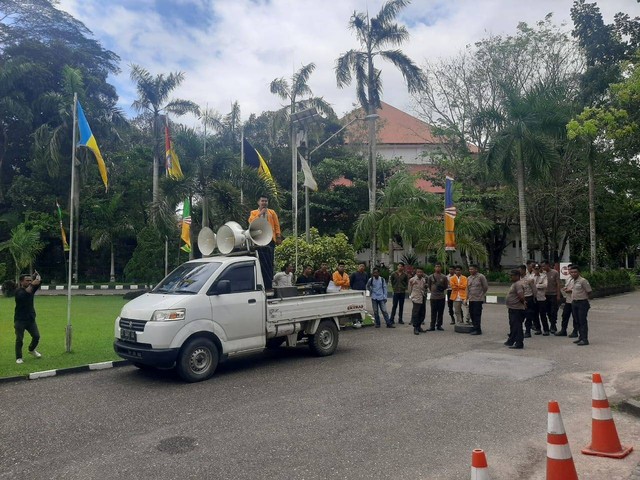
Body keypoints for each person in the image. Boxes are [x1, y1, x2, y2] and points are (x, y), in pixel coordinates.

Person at [248, 195, 282, 291]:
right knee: (262, 262)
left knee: (269, 262)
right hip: (259, 240)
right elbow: (251, 222)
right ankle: (262, 283)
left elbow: (276, 225)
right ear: (258, 202)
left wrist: (278, 236)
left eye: (266, 201)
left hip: (270, 239)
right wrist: (260, 214)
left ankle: (269, 282)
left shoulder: (272, 212)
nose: (264, 203)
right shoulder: (253, 212)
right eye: (262, 201)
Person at [14, 271, 43, 364]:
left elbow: (37, 284)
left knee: (36, 336)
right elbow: (26, 293)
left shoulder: (31, 289)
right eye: (27, 280)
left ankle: (31, 350)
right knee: (19, 339)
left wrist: (37, 277)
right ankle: (19, 357)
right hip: (20, 320)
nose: (29, 282)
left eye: (30, 280)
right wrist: (32, 284)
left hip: (30, 319)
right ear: (21, 282)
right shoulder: (18, 291)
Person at [566, 265, 592, 346]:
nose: (573, 273)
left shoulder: (583, 281)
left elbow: (589, 291)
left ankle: (585, 339)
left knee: (582, 321)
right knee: (577, 321)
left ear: (579, 272)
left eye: (575, 272)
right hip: (574, 302)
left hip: (582, 303)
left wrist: (585, 299)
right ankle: (580, 337)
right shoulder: (573, 281)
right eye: (572, 272)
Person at [504, 269, 526, 349]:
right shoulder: (515, 283)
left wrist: (523, 302)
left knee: (517, 326)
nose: (510, 277)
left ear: (517, 276)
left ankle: (519, 343)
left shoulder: (518, 284)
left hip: (517, 308)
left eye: (512, 275)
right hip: (512, 307)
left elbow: (521, 296)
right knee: (513, 325)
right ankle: (511, 340)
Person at [466, 264, 489, 335]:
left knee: (477, 314)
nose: (470, 270)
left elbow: (485, 287)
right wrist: (466, 298)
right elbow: (467, 288)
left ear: (476, 269)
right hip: (471, 299)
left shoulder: (481, 276)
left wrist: (481, 294)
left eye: (472, 269)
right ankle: (474, 327)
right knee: (472, 314)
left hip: (478, 299)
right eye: (470, 269)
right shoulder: (469, 278)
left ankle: (478, 329)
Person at [556, 264, 576, 337]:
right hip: (568, 300)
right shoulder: (568, 278)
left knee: (575, 317)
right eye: (569, 270)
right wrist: (565, 288)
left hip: (574, 300)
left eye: (571, 270)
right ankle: (563, 330)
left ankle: (575, 331)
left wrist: (570, 290)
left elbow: (579, 289)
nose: (570, 271)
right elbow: (566, 286)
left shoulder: (579, 279)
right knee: (565, 315)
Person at [426, 262, 448, 331]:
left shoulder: (444, 277)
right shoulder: (430, 277)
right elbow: (429, 286)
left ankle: (439, 325)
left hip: (441, 297)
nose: (437, 268)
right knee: (433, 312)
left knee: (440, 312)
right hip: (433, 297)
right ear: (434, 268)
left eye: (439, 266)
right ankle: (432, 326)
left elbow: (445, 286)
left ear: (441, 267)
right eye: (436, 266)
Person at [542, 260, 560, 333]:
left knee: (553, 311)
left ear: (548, 265)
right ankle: (552, 324)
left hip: (553, 294)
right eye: (542, 266)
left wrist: (558, 295)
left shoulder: (555, 272)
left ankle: (553, 325)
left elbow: (558, 284)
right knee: (548, 311)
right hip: (545, 295)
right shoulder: (542, 273)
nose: (543, 267)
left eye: (544, 266)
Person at [518, 264, 536, 337]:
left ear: (523, 270)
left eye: (520, 270)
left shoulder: (529, 279)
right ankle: (517, 331)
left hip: (528, 298)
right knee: (519, 316)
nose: (519, 272)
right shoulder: (518, 278)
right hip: (520, 299)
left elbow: (534, 289)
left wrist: (534, 298)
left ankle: (528, 332)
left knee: (528, 315)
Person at [408, 267, 427, 335]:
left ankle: (419, 326)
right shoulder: (412, 280)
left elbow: (424, 288)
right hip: (416, 298)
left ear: (423, 273)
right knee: (416, 313)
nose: (419, 273)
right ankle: (415, 328)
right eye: (418, 272)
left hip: (422, 297)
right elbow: (409, 289)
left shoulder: (423, 280)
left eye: (421, 272)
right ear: (416, 272)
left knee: (422, 313)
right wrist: (411, 296)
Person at [532, 264, 550, 335]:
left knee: (543, 315)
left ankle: (546, 330)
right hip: (534, 298)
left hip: (541, 298)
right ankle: (538, 329)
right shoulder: (531, 276)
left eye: (537, 268)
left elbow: (545, 285)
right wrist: (538, 285)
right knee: (535, 315)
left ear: (540, 269)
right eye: (535, 268)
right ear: (533, 269)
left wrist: (535, 286)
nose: (536, 270)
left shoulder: (543, 276)